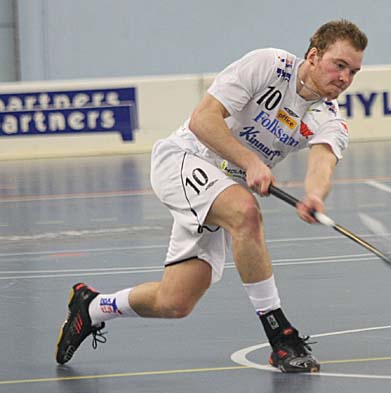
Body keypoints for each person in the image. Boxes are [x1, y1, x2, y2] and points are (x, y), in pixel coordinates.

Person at [55, 19, 367, 373]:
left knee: (175, 301)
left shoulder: (329, 117)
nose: (345, 78)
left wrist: (314, 195)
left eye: (353, 72)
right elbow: (203, 119)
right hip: (183, 159)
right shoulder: (269, 65)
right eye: (339, 65)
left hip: (220, 187)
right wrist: (251, 162)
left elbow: (323, 161)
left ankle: (92, 307)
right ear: (313, 56)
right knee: (246, 213)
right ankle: (280, 336)